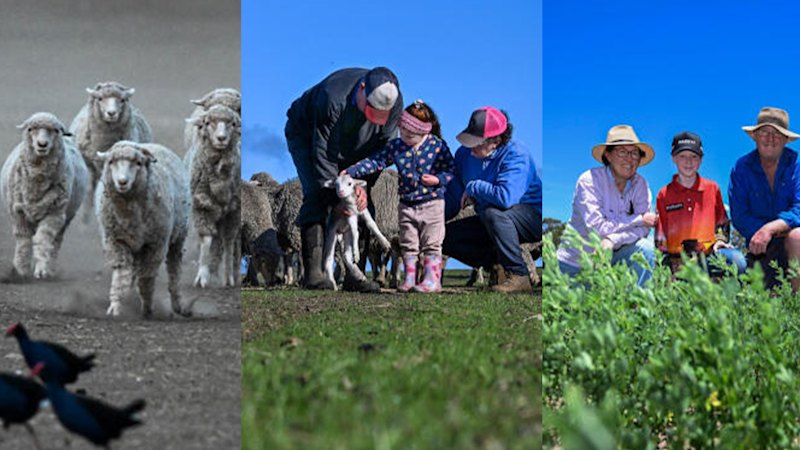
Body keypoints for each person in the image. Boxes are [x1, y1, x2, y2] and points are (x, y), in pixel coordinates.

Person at [285, 67, 403, 292]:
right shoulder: (332, 99)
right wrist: (339, 195)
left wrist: (361, 186)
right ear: (361, 89)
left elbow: (384, 151)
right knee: (317, 195)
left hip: (359, 146)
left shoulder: (394, 101)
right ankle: (315, 274)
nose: (376, 115)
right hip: (308, 136)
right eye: (371, 109)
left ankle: (355, 274)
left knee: (362, 201)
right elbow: (324, 158)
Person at [344, 100, 455, 293]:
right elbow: (377, 161)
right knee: (408, 243)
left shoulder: (437, 146)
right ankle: (409, 279)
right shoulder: (397, 146)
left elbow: (452, 170)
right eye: (402, 131)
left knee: (432, 243)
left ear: (425, 131)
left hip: (433, 204)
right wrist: (352, 171)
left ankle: (432, 280)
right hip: (407, 204)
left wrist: (438, 180)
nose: (404, 136)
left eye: (409, 134)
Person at [443, 107, 542, 294]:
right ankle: (497, 264)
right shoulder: (464, 155)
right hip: (489, 219)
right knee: (442, 235)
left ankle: (519, 275)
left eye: (477, 143)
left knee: (494, 213)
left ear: (496, 140)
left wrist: (474, 186)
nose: (471, 148)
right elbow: (455, 194)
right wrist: (431, 221)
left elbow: (505, 198)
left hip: (530, 216)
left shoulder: (517, 154)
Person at [556, 125, 657, 287]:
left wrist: (612, 240)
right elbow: (597, 228)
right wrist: (638, 219)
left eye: (634, 153)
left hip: (614, 258)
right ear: (608, 156)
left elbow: (644, 229)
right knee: (576, 310)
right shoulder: (589, 180)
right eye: (622, 152)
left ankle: (636, 307)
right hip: (576, 264)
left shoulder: (641, 185)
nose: (629, 158)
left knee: (646, 248)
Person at [655, 131, 746, 276]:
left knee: (737, 260)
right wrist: (669, 262)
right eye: (682, 157)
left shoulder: (712, 188)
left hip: (709, 257)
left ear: (701, 160)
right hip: (677, 262)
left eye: (694, 157)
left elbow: (722, 222)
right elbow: (660, 237)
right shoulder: (664, 194)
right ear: (673, 159)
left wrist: (720, 240)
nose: (688, 162)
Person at [729, 107, 800, 290]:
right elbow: (739, 215)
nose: (770, 139)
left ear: (785, 140)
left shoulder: (797, 165)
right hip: (759, 247)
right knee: (766, 305)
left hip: (793, 244)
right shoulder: (741, 168)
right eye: (764, 132)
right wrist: (763, 234)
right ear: (755, 136)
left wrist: (771, 228)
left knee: (797, 237)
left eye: (777, 134)